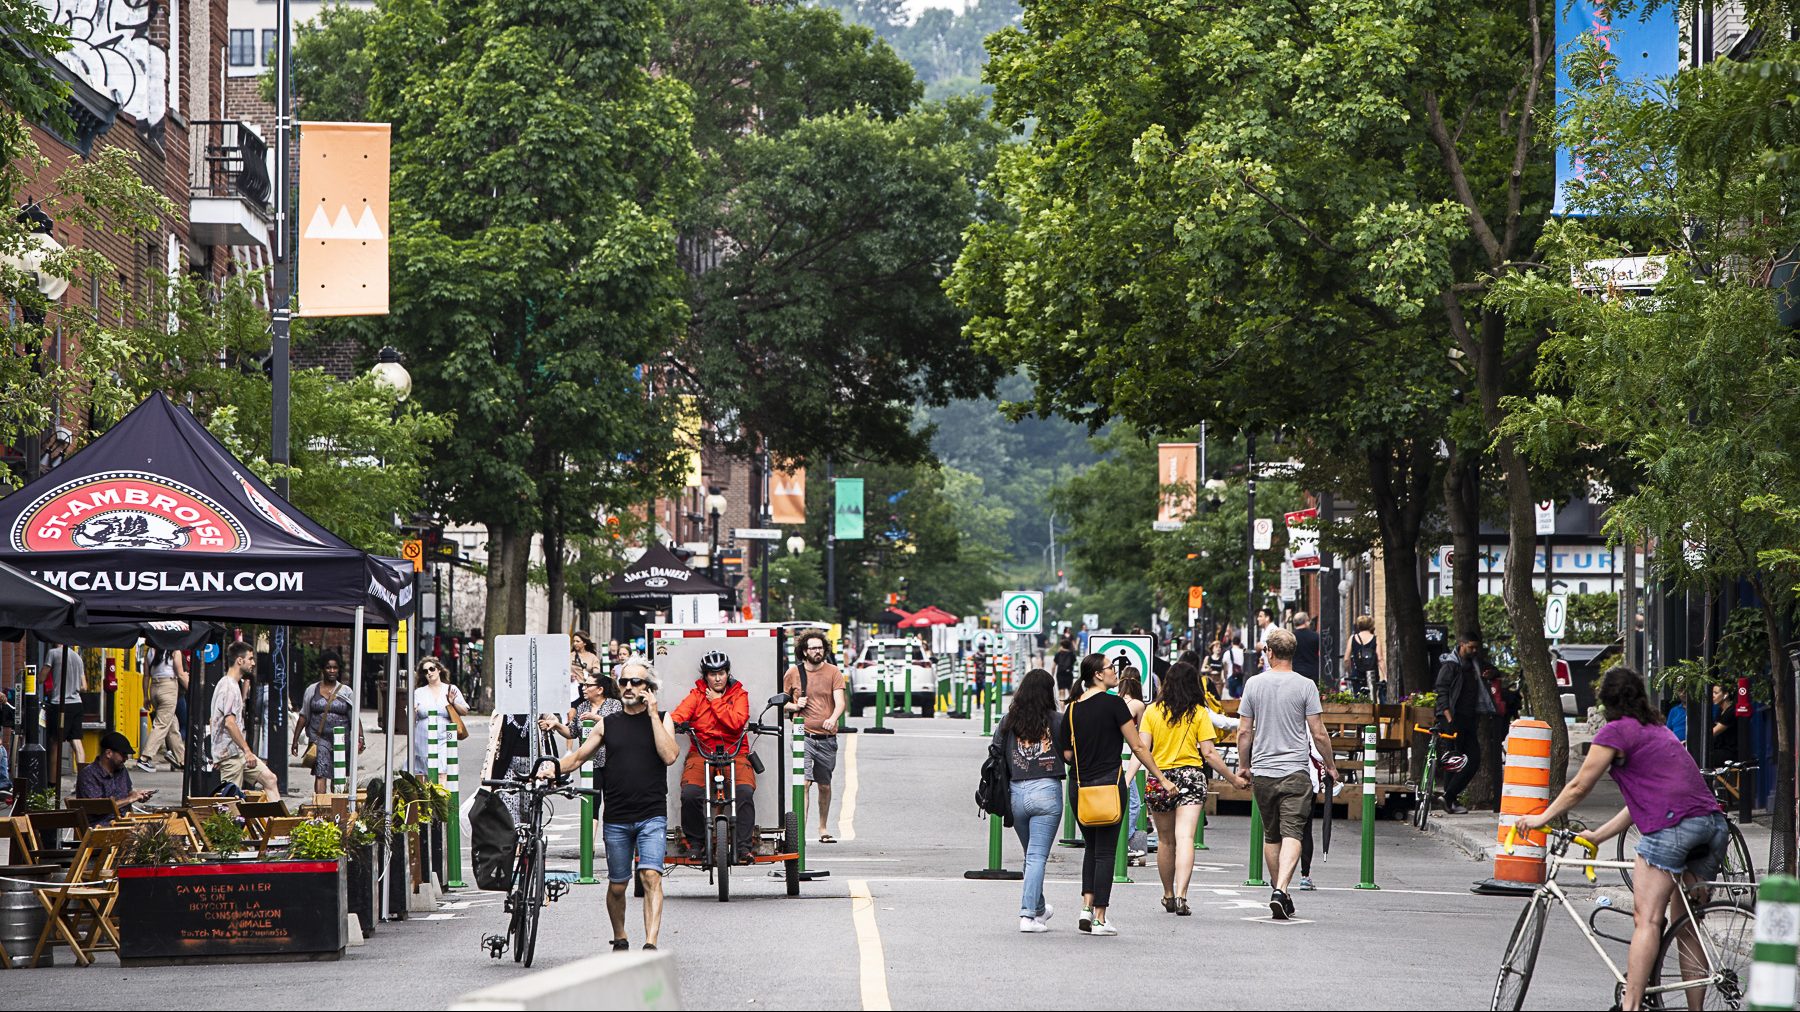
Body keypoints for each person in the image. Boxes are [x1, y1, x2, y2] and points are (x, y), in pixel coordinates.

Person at [1516, 667, 1727, 1012]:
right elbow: (1642, 803)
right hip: (1711, 825)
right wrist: (1598, 835)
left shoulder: (1616, 732)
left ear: (1606, 703)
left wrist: (1540, 817)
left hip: (1672, 829)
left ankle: (1631, 1005)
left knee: (1647, 920)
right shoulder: (1657, 730)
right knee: (1685, 927)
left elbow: (1579, 786)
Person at [549, 658, 679, 950]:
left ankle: (650, 943)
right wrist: (551, 769)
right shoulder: (608, 724)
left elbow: (670, 755)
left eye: (636, 682)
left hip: (651, 814)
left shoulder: (663, 718)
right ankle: (620, 935)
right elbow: (579, 757)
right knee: (618, 885)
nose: (629, 687)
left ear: (649, 688)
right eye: (624, 682)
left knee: (650, 876)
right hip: (617, 816)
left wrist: (654, 715)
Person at [1055, 653, 1175, 936]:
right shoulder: (1114, 705)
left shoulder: (1072, 709)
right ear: (1098, 674)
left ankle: (1086, 907)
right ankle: (1099, 917)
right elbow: (1138, 747)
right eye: (1111, 668)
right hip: (1109, 785)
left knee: (1092, 849)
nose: (1115, 674)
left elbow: (1068, 754)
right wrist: (1161, 778)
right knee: (1107, 851)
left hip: (1080, 787)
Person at [1236, 627, 1337, 920]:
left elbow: (1244, 731)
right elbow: (1318, 733)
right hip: (1295, 771)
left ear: (1269, 652)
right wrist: (1330, 765)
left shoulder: (1254, 685)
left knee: (1272, 835)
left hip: (1264, 772)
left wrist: (1244, 766)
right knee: (1293, 831)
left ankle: (1280, 890)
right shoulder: (1306, 686)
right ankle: (1281, 890)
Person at [1140, 661, 1246, 915]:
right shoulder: (1198, 713)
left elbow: (1143, 748)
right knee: (1185, 837)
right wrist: (1233, 779)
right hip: (1190, 776)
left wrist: (1151, 775)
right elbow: (1209, 753)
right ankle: (1181, 895)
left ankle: (1167, 894)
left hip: (1160, 778)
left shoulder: (1152, 712)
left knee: (1165, 841)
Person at [670, 651, 757, 863]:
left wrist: (717, 702)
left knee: (744, 792)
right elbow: (678, 716)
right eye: (712, 674)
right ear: (705, 676)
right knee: (690, 794)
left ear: (728, 674)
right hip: (702, 751)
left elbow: (736, 723)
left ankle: (743, 847)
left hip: (735, 751)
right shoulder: (697, 695)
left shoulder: (739, 695)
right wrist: (670, 724)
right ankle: (697, 843)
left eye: (721, 673)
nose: (717, 678)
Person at [996, 668, 1065, 932]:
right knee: (1036, 856)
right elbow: (1068, 755)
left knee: (1031, 856)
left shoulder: (1009, 720)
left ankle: (1038, 909)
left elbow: (995, 750)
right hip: (1046, 791)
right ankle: (1027, 916)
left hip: (1016, 792)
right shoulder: (1057, 721)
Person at [782, 630, 846, 843]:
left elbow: (840, 702)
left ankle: (823, 827)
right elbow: (781, 706)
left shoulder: (833, 672)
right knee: (805, 783)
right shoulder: (793, 673)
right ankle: (798, 832)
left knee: (824, 785)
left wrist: (833, 718)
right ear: (804, 651)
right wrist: (793, 705)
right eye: (812, 648)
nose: (817, 652)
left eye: (820, 648)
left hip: (827, 738)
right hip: (803, 737)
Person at [290, 649, 363, 795]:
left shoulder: (346, 691)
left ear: (338, 670)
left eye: (335, 668)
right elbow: (304, 715)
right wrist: (295, 740)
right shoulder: (312, 690)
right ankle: (321, 808)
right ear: (323, 669)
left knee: (339, 774)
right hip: (319, 738)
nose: (331, 670)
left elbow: (354, 716)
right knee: (320, 771)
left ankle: (337, 807)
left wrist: (360, 738)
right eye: (328, 667)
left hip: (341, 739)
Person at [214, 642, 280, 798]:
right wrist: (247, 750)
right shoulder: (228, 687)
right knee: (231, 802)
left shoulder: (233, 685)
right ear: (239, 661)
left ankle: (278, 821)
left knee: (270, 779)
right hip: (230, 755)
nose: (253, 663)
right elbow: (229, 723)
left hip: (236, 752)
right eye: (250, 659)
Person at [1432, 632, 1483, 814]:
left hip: (1468, 719)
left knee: (1470, 759)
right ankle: (1450, 799)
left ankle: (1449, 797)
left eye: (1476, 647)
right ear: (1461, 644)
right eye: (1471, 647)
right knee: (1457, 760)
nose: (1474, 650)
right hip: (1453, 719)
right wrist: (1449, 717)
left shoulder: (1474, 665)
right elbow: (1442, 691)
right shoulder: (1451, 665)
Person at [75, 731, 155, 822]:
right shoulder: (89, 774)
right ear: (109, 753)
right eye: (123, 755)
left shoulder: (121, 769)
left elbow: (127, 793)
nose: (126, 759)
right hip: (101, 827)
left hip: (124, 822)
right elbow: (97, 808)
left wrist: (137, 795)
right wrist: (130, 799)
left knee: (161, 824)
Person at [410, 657, 471, 775]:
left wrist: (453, 703)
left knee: (443, 772)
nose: (429, 672)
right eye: (425, 671)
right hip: (423, 740)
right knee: (425, 775)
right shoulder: (418, 692)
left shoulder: (450, 689)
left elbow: (464, 711)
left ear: (438, 670)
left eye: (431, 669)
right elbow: (411, 721)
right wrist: (413, 712)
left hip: (445, 739)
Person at [139, 646, 188, 773]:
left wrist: (145, 696)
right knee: (161, 724)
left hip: (154, 688)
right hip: (168, 687)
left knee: (172, 725)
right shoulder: (174, 650)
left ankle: (182, 760)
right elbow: (180, 673)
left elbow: (146, 676)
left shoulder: (150, 651)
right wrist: (194, 690)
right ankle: (145, 758)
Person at [43, 643, 87, 781]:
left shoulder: (53, 653)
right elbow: (84, 686)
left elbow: (40, 678)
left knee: (55, 741)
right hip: (77, 704)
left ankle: (52, 782)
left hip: (60, 704)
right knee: (76, 741)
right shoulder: (78, 658)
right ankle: (83, 781)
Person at [1118, 672, 1149, 859]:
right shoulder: (1138, 705)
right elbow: (1142, 739)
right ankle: (1121, 843)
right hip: (1129, 758)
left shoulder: (1115, 701)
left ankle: (1119, 842)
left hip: (1113, 758)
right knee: (1134, 804)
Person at [1344, 615, 1381, 700]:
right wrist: (1385, 676)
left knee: (1358, 698)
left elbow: (1346, 659)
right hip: (1372, 674)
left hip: (1357, 674)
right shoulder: (1375, 639)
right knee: (1372, 698)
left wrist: (1349, 672)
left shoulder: (1353, 638)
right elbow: (1380, 658)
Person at [1709, 684, 1738, 765]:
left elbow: (1713, 732)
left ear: (1726, 695)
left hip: (1729, 752)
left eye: (1716, 693)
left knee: (1702, 757)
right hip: (1720, 749)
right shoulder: (1720, 711)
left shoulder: (1731, 711)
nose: (1712, 696)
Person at [1290, 611, 1321, 683]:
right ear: (1306, 622)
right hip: (1312, 673)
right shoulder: (1315, 636)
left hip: (1295, 672)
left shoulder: (1290, 637)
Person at [1052, 638, 1077, 702]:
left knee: (1061, 691)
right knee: (1070, 690)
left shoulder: (1058, 654)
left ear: (1061, 645)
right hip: (1069, 673)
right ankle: (1072, 708)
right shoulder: (1072, 654)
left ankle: (1062, 711)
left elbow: (1053, 666)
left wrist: (1052, 674)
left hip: (1060, 673)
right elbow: (1074, 662)